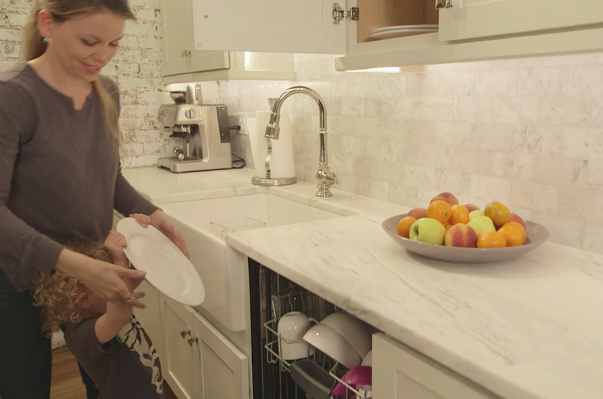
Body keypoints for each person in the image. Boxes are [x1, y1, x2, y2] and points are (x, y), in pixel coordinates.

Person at [0, 0, 189, 398]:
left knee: (103, 379)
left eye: (114, 44)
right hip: (17, 273)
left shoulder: (106, 91)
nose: (102, 56)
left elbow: (109, 178)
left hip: (87, 265)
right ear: (48, 24)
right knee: (24, 386)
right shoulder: (12, 97)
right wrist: (77, 265)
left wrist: (155, 215)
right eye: (89, 41)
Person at [33, 222, 163, 399]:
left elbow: (135, 277)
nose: (118, 283)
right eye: (110, 280)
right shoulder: (82, 335)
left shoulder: (101, 306)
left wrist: (144, 232)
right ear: (85, 300)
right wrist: (119, 259)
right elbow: (120, 312)